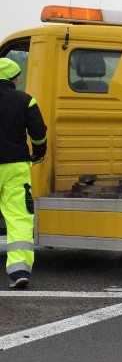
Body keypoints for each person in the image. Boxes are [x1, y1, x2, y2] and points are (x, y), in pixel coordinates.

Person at [0, 57, 47, 289]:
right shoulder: (25, 100)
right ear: (13, 79)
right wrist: (38, 152)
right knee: (19, 217)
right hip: (16, 166)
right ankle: (18, 270)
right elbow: (38, 132)